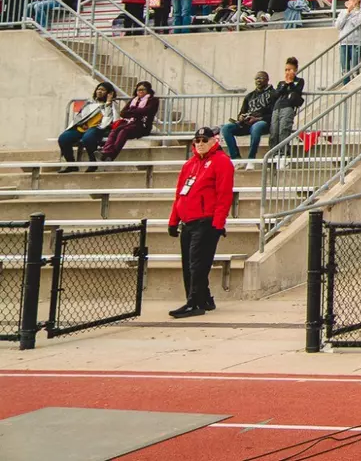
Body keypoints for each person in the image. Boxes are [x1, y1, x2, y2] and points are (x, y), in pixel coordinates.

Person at [167, 126, 234, 318]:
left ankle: (195, 302)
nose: (201, 144)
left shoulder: (222, 162)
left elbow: (224, 195)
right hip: (188, 221)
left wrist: (218, 223)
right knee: (189, 263)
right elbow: (180, 193)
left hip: (206, 221)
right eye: (197, 140)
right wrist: (174, 220)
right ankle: (204, 298)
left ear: (214, 141)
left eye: (205, 140)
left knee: (197, 264)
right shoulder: (190, 164)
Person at [57, 82, 117, 171]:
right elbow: (80, 116)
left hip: (98, 128)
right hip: (83, 127)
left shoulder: (112, 105)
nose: (99, 91)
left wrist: (108, 103)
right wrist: (82, 124)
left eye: (103, 90)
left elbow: (107, 120)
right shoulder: (90, 103)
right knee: (63, 138)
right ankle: (71, 165)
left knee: (87, 138)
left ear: (109, 93)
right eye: (98, 89)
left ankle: (92, 163)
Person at [222, 71, 276, 162]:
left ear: (267, 80)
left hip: (264, 123)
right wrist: (241, 117)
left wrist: (258, 119)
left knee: (257, 126)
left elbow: (274, 114)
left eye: (261, 78)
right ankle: (236, 159)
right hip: (247, 124)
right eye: (256, 78)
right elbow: (241, 112)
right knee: (226, 128)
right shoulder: (249, 96)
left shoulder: (273, 94)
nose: (258, 80)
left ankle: (251, 159)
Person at [100, 81, 160, 161]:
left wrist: (132, 110)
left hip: (142, 126)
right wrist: (137, 111)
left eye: (143, 90)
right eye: (139, 90)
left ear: (148, 90)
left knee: (123, 131)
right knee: (114, 131)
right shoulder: (134, 100)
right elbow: (123, 113)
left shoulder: (153, 100)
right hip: (128, 124)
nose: (140, 91)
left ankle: (111, 155)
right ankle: (107, 151)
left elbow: (147, 111)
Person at [268, 56, 305, 149]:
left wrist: (291, 83)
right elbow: (276, 94)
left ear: (295, 70)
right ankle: (273, 153)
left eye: (290, 70)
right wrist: (285, 85)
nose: (287, 72)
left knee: (283, 131)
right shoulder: (281, 83)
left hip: (288, 107)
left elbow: (297, 92)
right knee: (274, 132)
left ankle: (283, 153)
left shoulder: (299, 81)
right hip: (277, 107)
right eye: (286, 70)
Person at [334, 0, 361, 78]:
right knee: (345, 70)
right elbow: (338, 26)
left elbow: (358, 24)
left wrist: (352, 12)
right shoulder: (343, 12)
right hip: (344, 43)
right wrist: (348, 12)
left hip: (356, 42)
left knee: (355, 69)